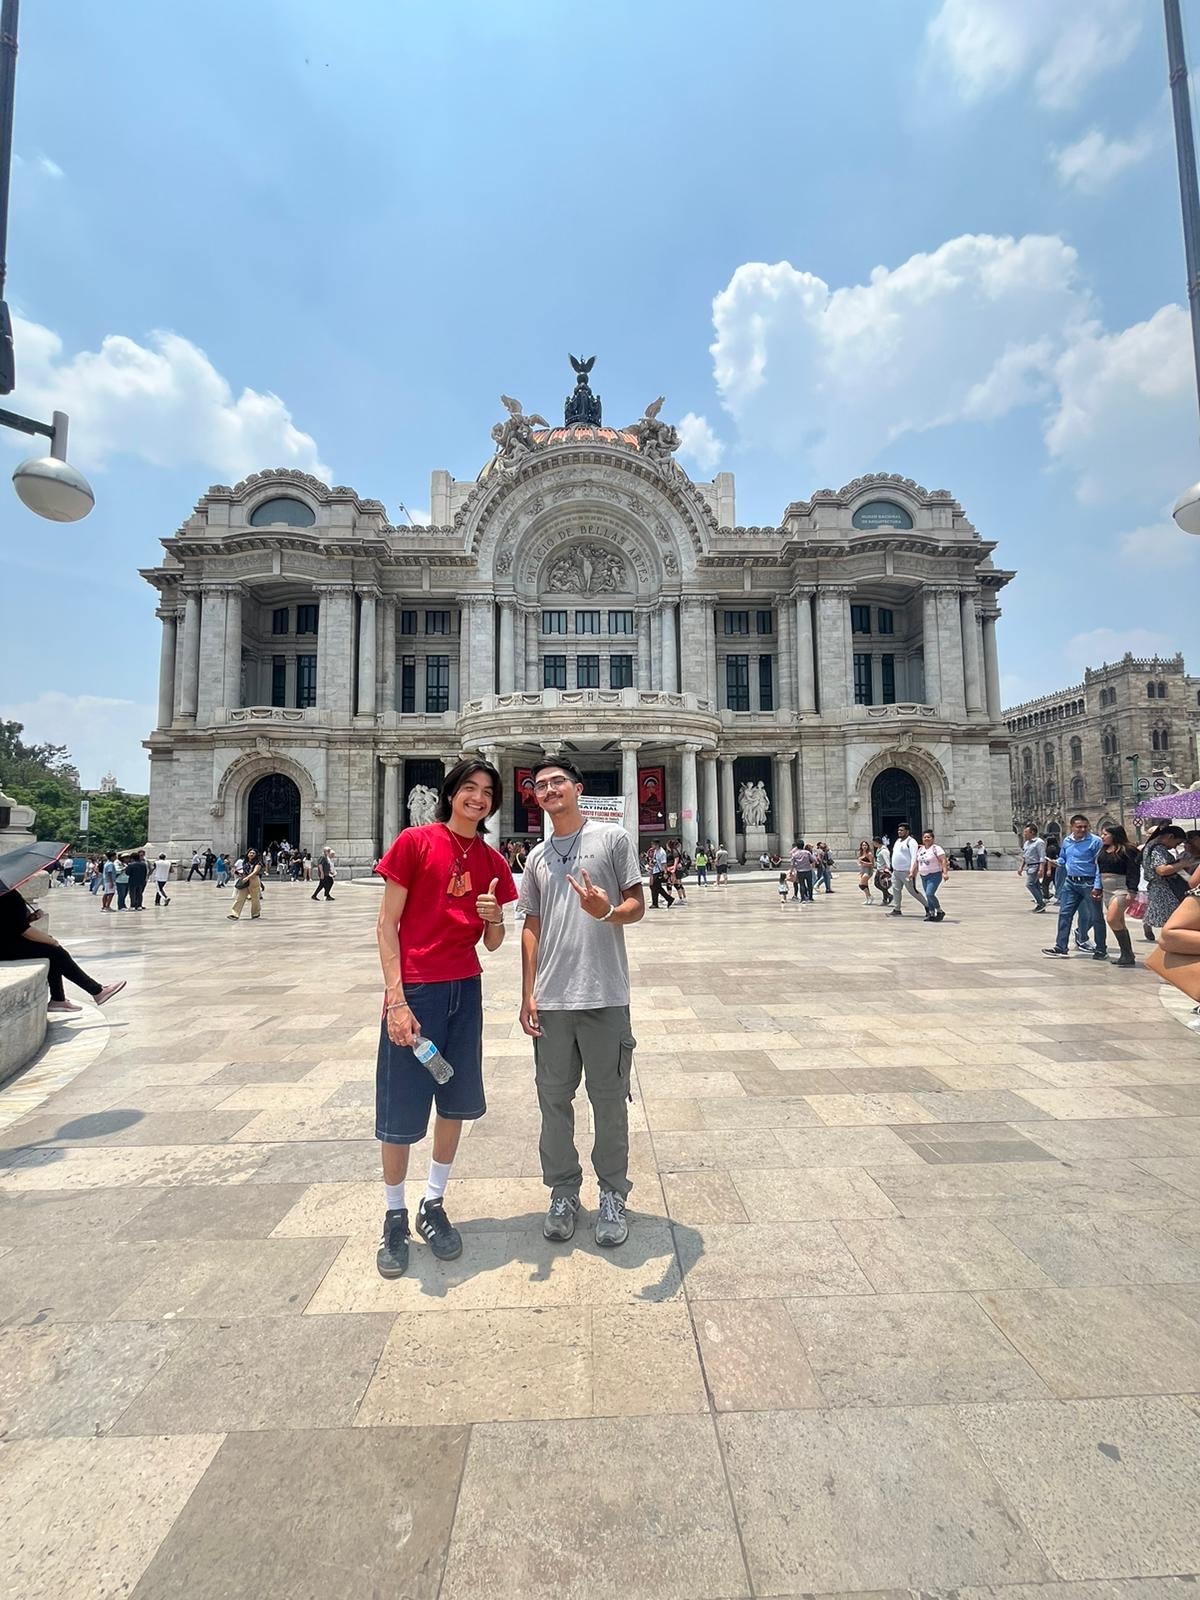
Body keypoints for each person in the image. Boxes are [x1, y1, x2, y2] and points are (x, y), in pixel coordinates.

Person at [374, 758, 517, 1278]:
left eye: (487, 792)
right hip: (415, 989)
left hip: (465, 987)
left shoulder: (492, 860)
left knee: (453, 1099)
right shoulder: (415, 842)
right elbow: (386, 925)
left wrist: (495, 919)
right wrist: (395, 997)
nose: (478, 798)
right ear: (451, 792)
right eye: (469, 789)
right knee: (400, 1105)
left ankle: (432, 1203)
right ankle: (394, 1213)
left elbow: (494, 943)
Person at [518, 757, 646, 1249]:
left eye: (557, 782)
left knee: (609, 1102)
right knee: (553, 1102)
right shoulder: (536, 856)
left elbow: (637, 906)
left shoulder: (612, 839)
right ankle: (563, 1191)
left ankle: (613, 1193)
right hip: (552, 999)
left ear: (577, 788)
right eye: (540, 785)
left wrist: (607, 910)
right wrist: (527, 991)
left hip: (604, 994)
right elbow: (531, 924)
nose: (548, 790)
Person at [0, 886, 126, 1012]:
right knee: (54, 951)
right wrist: (51, 941)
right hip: (7, 947)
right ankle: (96, 990)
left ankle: (59, 999)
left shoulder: (8, 893)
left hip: (8, 943)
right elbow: (24, 931)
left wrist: (30, 918)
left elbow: (9, 922)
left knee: (51, 951)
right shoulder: (7, 895)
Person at [1042, 813, 1107, 960]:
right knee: (1065, 914)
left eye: (1085, 827)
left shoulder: (1095, 841)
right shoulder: (1067, 841)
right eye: (1079, 827)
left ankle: (1101, 949)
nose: (1082, 829)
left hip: (1089, 883)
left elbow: (1099, 866)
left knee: (1096, 917)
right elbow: (1064, 859)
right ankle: (1061, 947)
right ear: (1071, 827)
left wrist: (1098, 885)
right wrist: (1055, 862)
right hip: (1071, 882)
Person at [1097, 824, 1141, 968]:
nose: (1102, 837)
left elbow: (1133, 871)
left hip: (1121, 888)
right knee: (1119, 922)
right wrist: (1097, 887)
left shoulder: (1127, 850)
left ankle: (1127, 953)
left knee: (1111, 919)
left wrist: (1132, 891)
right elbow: (1099, 870)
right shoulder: (1103, 850)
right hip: (1107, 889)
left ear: (1114, 835)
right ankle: (1127, 954)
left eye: (1105, 834)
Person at [1143, 824, 1190, 946]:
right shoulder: (1158, 849)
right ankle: (1169, 944)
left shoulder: (1151, 845)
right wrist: (1182, 864)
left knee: (1168, 918)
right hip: (1163, 888)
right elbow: (1161, 870)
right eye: (1177, 842)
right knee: (1172, 919)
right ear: (1170, 836)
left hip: (1159, 887)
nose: (1175, 846)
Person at [913, 830, 948, 921]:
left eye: (928, 837)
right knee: (927, 895)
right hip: (923, 875)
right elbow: (917, 862)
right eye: (925, 837)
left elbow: (943, 860)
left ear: (933, 838)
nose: (926, 839)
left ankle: (939, 911)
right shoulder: (920, 849)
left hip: (935, 875)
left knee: (930, 893)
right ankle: (931, 913)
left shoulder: (937, 848)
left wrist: (945, 873)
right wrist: (912, 872)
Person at [888, 824, 920, 916]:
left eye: (901, 830)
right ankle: (897, 908)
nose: (899, 832)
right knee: (896, 889)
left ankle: (927, 906)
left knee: (912, 891)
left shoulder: (911, 842)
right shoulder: (898, 841)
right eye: (898, 830)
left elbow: (914, 857)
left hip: (906, 871)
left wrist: (912, 871)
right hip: (896, 871)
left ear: (907, 831)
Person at [227, 848, 264, 921]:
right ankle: (235, 914)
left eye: (253, 853)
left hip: (254, 880)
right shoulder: (245, 862)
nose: (251, 854)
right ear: (247, 854)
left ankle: (255, 913)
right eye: (250, 853)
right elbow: (244, 872)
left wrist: (248, 878)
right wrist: (238, 874)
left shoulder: (258, 862)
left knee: (255, 898)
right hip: (245, 880)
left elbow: (255, 871)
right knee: (240, 897)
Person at [1019, 825, 1047, 912]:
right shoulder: (1026, 843)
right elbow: (1025, 856)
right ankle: (1040, 903)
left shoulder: (1039, 842)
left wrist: (1041, 869)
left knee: (1030, 884)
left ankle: (1041, 903)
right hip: (1029, 866)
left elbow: (1042, 856)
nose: (1024, 834)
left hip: (1036, 866)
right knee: (1036, 885)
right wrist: (1021, 867)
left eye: (1026, 832)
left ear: (1032, 832)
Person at [649, 842, 674, 909]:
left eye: (653, 844)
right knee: (656, 887)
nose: (652, 846)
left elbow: (664, 863)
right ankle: (669, 899)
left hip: (659, 872)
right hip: (655, 871)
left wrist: (665, 872)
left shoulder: (662, 852)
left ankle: (655, 903)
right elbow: (655, 861)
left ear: (657, 845)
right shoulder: (656, 851)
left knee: (654, 887)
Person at [873, 837, 893, 905]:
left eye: (874, 842)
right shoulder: (879, 849)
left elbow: (887, 860)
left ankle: (888, 896)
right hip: (879, 869)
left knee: (879, 884)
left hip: (883, 870)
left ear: (877, 842)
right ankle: (885, 899)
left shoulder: (884, 851)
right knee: (880, 884)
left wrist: (887, 869)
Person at [857, 839, 876, 904]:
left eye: (865, 845)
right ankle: (868, 899)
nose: (864, 846)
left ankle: (870, 896)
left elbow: (872, 864)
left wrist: (863, 862)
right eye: (863, 845)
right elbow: (859, 862)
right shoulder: (860, 853)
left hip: (868, 871)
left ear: (868, 846)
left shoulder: (869, 854)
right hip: (863, 870)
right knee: (865, 885)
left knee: (861, 885)